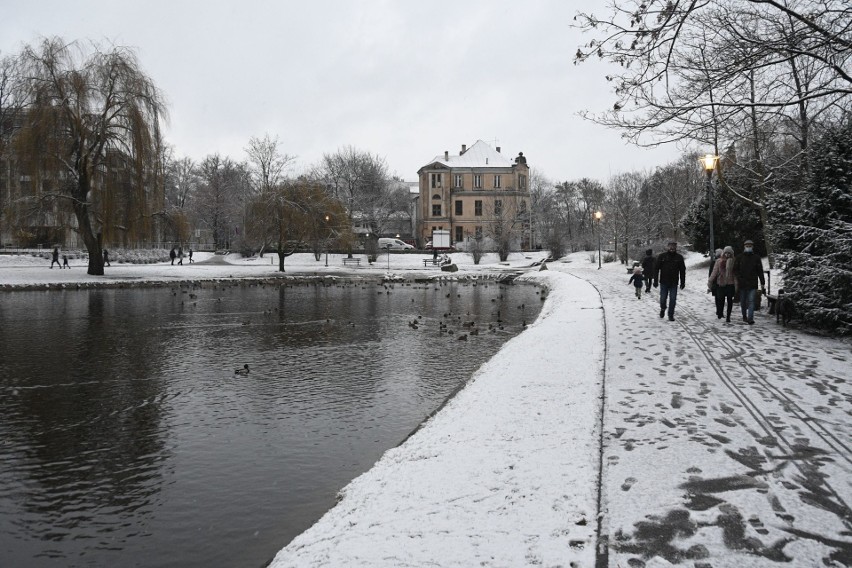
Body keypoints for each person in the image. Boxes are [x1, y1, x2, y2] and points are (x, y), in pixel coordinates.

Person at [733, 239, 765, 325]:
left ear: (752, 247)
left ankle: (750, 318)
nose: (748, 247)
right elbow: (735, 270)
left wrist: (762, 283)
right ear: (744, 247)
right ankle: (744, 315)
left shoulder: (756, 258)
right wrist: (739, 278)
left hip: (752, 283)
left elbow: (760, 271)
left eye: (750, 246)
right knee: (743, 301)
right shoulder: (739, 257)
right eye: (747, 246)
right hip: (742, 283)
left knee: (751, 301)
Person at [653, 240, 686, 321]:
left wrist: (682, 282)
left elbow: (682, 271)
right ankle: (663, 308)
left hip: (674, 282)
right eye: (670, 246)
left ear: (676, 247)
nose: (672, 248)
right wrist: (655, 280)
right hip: (664, 281)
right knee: (663, 298)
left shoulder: (679, 257)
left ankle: (671, 314)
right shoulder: (662, 256)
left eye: (673, 246)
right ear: (668, 247)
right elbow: (656, 269)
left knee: (673, 299)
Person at [708, 246, 736, 322]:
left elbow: (736, 274)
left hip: (730, 284)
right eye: (726, 253)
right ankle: (720, 312)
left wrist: (737, 284)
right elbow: (714, 272)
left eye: (729, 253)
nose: (727, 254)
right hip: (721, 283)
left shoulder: (734, 261)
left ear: (731, 254)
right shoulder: (719, 261)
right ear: (723, 253)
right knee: (721, 299)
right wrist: (710, 281)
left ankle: (728, 316)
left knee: (730, 300)